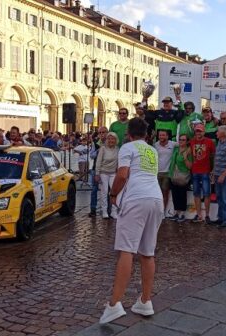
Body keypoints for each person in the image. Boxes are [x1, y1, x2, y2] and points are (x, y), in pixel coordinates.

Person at [101, 117, 163, 324]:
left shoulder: (127, 148)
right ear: (147, 134)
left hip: (136, 199)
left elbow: (122, 175)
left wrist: (113, 194)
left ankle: (114, 304)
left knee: (126, 250)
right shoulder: (152, 150)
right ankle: (145, 300)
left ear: (128, 133)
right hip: (156, 199)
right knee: (147, 252)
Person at [189, 123, 215, 223]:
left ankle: (207, 215)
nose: (198, 133)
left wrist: (213, 169)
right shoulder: (191, 142)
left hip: (205, 171)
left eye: (200, 131)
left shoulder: (210, 142)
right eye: (197, 131)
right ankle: (199, 214)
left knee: (207, 194)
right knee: (196, 194)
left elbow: (213, 156)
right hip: (195, 171)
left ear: (204, 132)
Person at [168, 134, 193, 223]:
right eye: (180, 139)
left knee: (182, 195)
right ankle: (176, 212)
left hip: (183, 176)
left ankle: (182, 214)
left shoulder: (188, 151)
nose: (181, 141)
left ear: (187, 141)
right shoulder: (176, 149)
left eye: (183, 140)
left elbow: (190, 166)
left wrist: (185, 158)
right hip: (173, 174)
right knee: (175, 194)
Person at [95, 132, 119, 219]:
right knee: (104, 192)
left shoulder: (117, 149)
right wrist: (97, 173)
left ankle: (114, 211)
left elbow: (118, 161)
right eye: (109, 139)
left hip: (113, 173)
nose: (111, 140)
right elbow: (98, 161)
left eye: (113, 139)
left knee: (114, 192)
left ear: (115, 140)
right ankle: (104, 211)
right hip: (103, 173)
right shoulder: (103, 148)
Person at [154, 129, 176, 212]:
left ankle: (162, 212)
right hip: (157, 173)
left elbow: (183, 144)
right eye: (160, 135)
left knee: (165, 193)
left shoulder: (173, 144)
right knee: (157, 193)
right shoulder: (155, 145)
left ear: (167, 136)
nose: (161, 137)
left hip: (167, 173)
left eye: (163, 135)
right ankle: (157, 211)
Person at [89, 127, 108, 217]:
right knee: (94, 189)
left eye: (103, 132)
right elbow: (91, 155)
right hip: (95, 169)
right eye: (99, 132)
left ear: (107, 132)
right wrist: (98, 150)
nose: (101, 134)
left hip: (107, 169)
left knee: (107, 190)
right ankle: (93, 209)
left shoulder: (110, 142)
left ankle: (108, 209)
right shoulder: (96, 143)